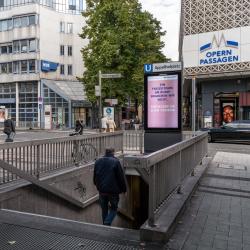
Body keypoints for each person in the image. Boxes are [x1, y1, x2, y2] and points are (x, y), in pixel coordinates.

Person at [93, 148, 127, 226]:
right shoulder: (116, 162)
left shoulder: (98, 161)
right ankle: (107, 222)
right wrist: (124, 189)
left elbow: (95, 176)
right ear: (113, 153)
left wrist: (97, 185)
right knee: (114, 208)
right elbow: (120, 178)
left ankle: (105, 227)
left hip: (102, 191)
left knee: (104, 210)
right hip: (113, 192)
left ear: (105, 152)